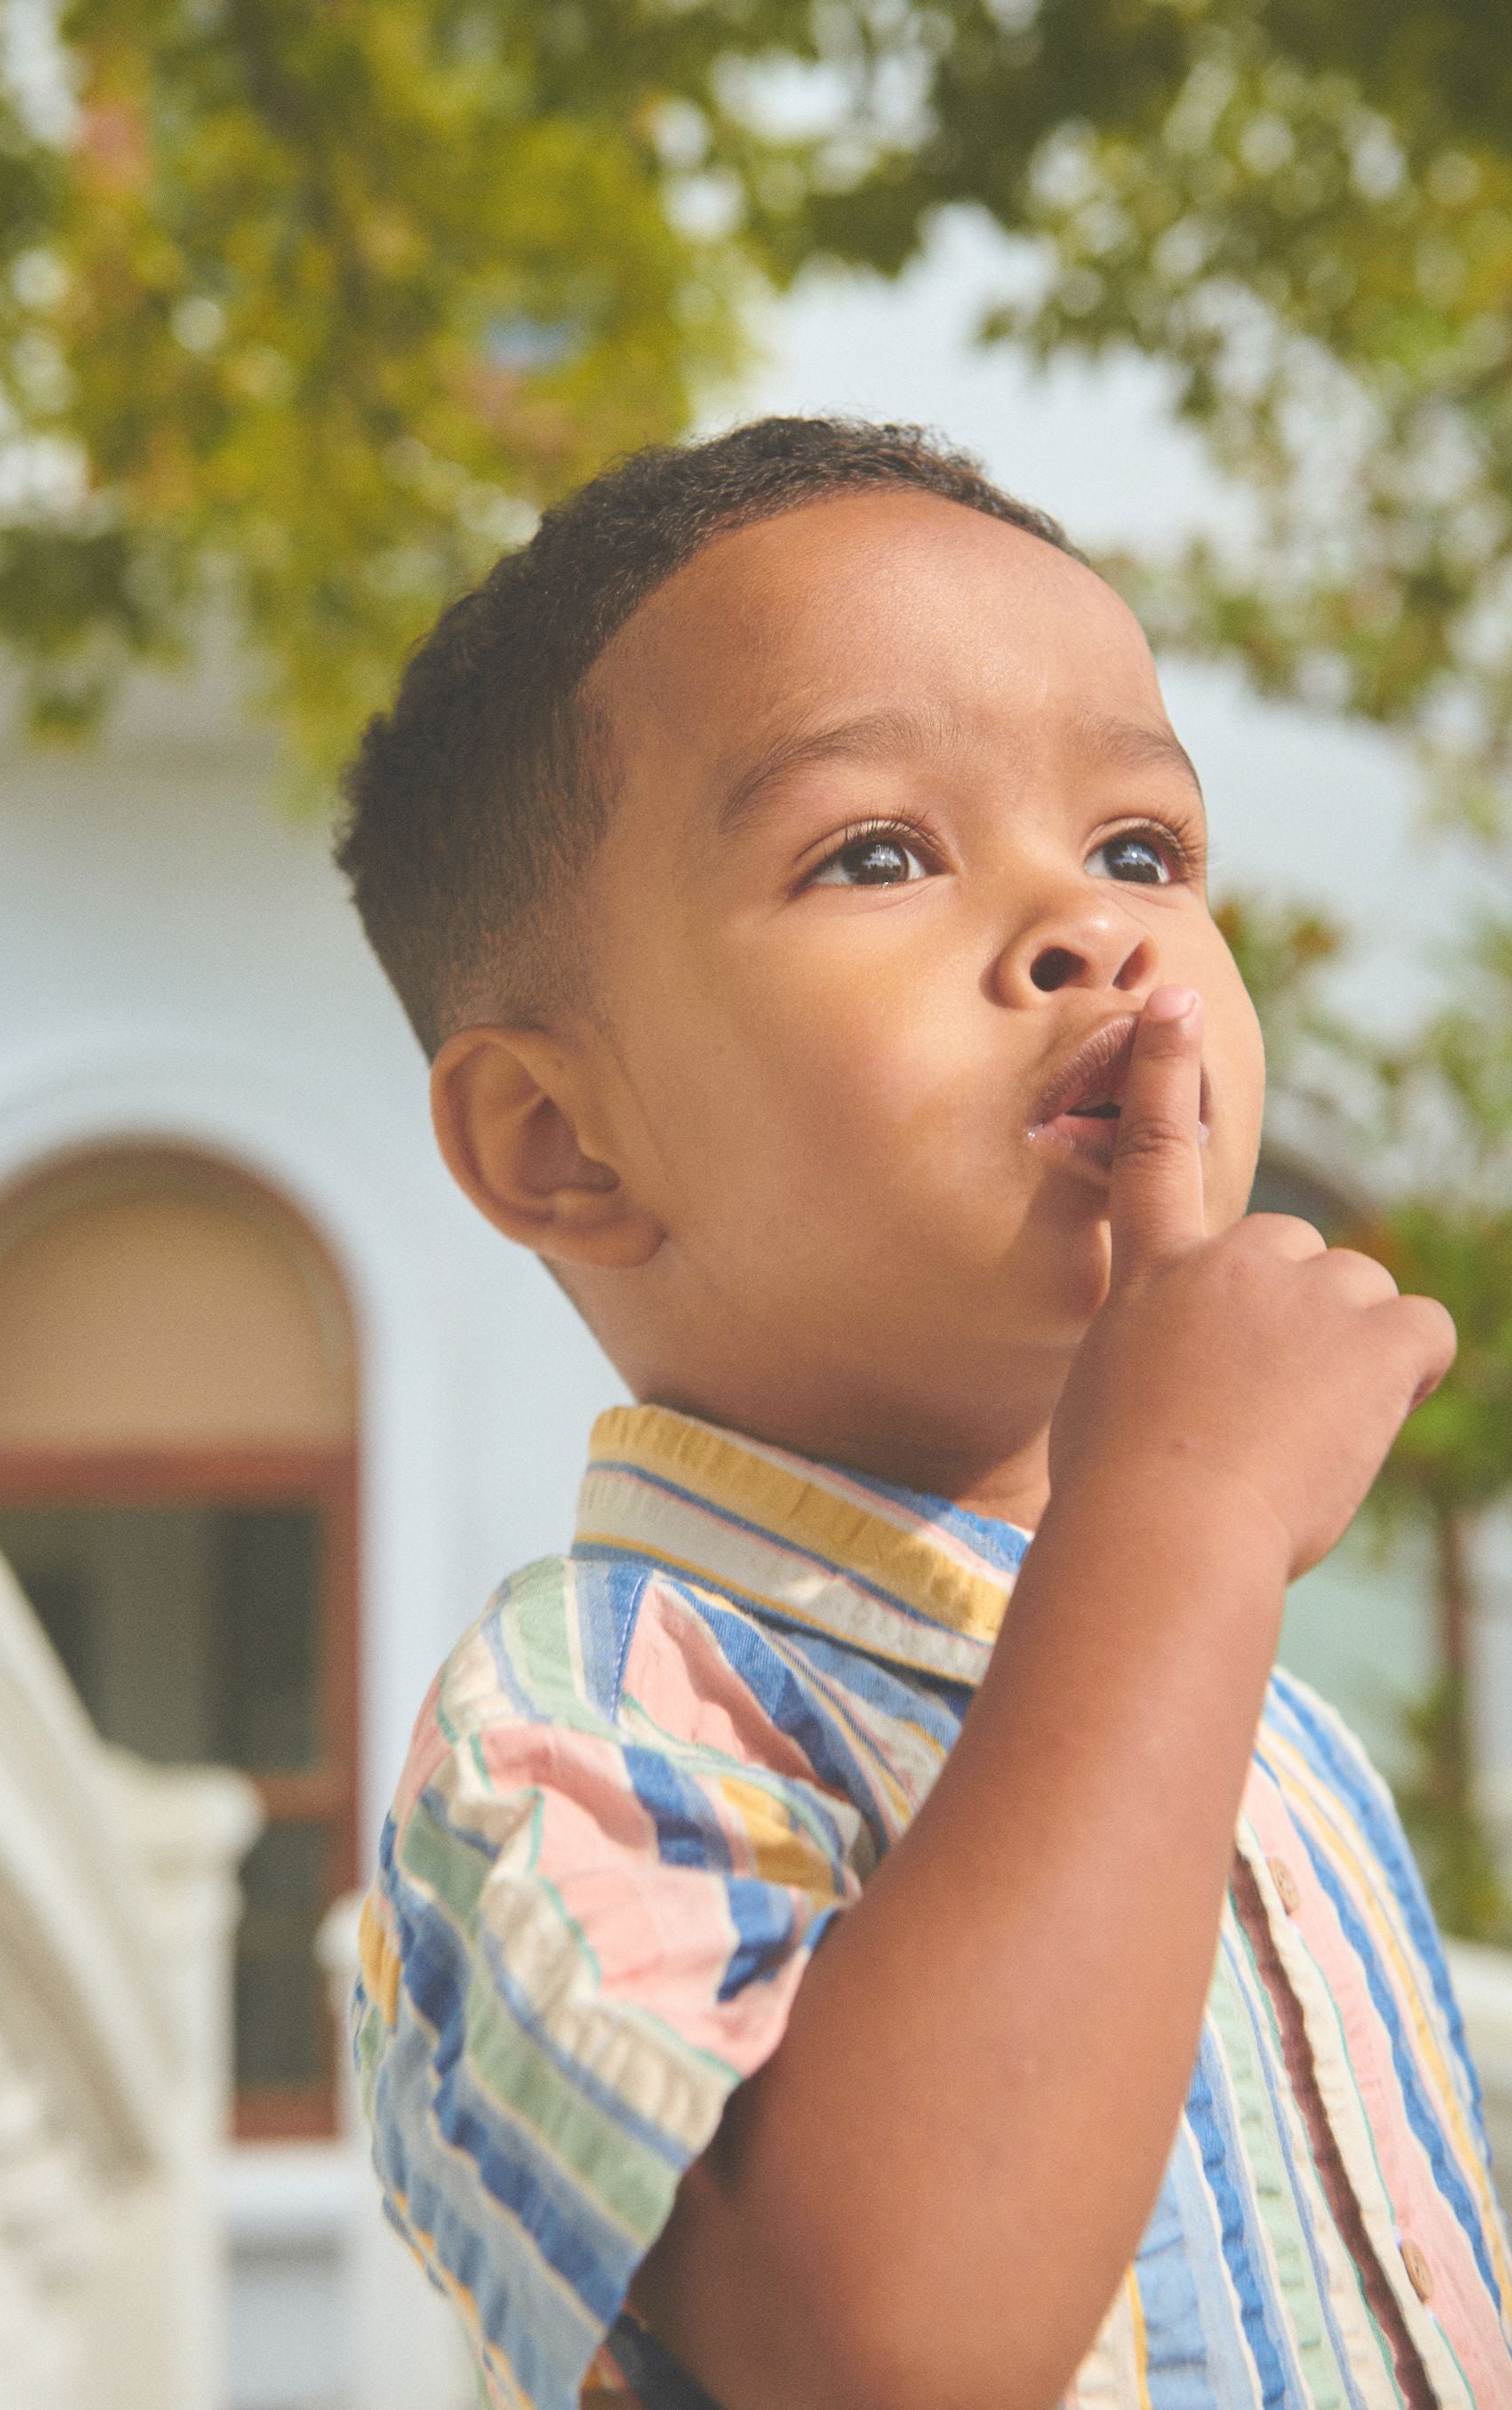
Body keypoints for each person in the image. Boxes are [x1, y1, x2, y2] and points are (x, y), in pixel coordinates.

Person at [335, 417, 1511, 2410]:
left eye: (1142, 848)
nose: (1098, 929)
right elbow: (884, 2345)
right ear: (558, 1138)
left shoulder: (1271, 1735)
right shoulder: (576, 1733)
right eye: (875, 850)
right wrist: (1191, 1516)